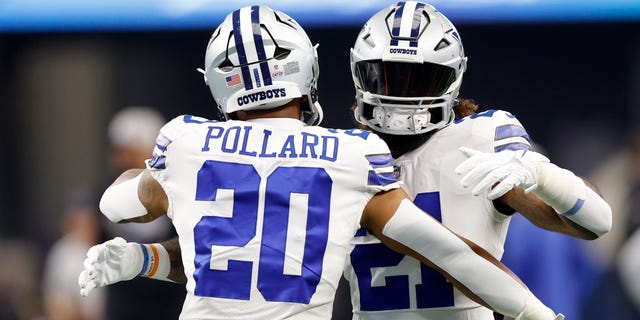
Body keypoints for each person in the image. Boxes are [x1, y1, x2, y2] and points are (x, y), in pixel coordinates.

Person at [78, 5, 564, 320]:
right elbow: (452, 255)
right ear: (306, 71)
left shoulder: (186, 142)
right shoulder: (349, 155)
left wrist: (150, 193)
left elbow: (117, 205)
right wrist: (538, 314)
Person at [343, 2, 612, 319]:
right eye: (388, 77)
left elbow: (595, 223)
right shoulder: (346, 155)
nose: (402, 93)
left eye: (421, 79)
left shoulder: (480, 140)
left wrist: (541, 174)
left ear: (451, 80)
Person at [42, 190, 105, 320]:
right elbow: (56, 302)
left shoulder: (103, 249)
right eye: (82, 220)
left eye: (91, 221)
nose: (88, 225)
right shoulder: (64, 253)